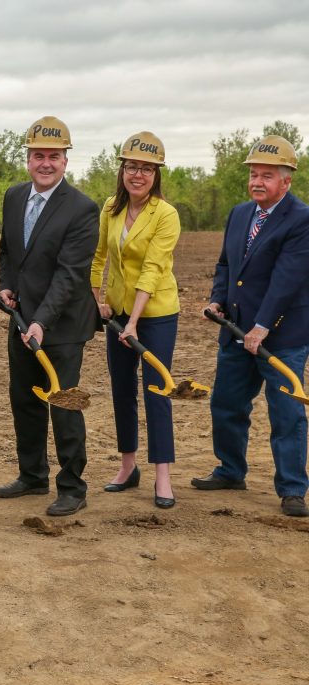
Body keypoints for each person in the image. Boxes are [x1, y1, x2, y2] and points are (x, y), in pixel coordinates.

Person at [0, 117, 100, 516]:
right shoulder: (14, 196)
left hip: (63, 326)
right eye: (39, 156)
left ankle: (73, 485)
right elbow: (7, 252)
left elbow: (70, 274)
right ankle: (32, 475)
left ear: (65, 161)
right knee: (24, 398)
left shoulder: (82, 208)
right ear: (28, 159)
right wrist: (7, 286)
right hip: (22, 319)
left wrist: (42, 320)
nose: (46, 163)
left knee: (64, 402)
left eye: (54, 157)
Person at [199, 135, 309, 517]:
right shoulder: (240, 213)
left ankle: (293, 488)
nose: (257, 182)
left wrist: (263, 326)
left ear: (286, 181)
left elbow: (288, 279)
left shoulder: (301, 219)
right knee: (226, 404)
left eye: (267, 176)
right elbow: (227, 265)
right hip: (235, 330)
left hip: (281, 336)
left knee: (286, 413)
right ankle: (231, 471)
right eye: (253, 175)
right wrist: (217, 299)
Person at [90, 132, 181, 509]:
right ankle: (128, 467)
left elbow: (153, 269)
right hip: (118, 312)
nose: (137, 174)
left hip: (156, 313)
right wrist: (99, 299)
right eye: (131, 167)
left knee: (157, 391)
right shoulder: (111, 207)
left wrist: (134, 322)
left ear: (157, 173)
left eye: (145, 168)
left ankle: (163, 475)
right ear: (122, 170)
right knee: (122, 389)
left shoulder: (166, 215)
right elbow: (98, 257)